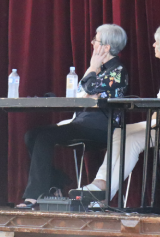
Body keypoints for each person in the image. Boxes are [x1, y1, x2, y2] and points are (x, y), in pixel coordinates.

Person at [77, 24, 160, 200]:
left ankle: (104, 196)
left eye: (156, 42)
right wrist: (152, 121)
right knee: (119, 132)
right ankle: (100, 182)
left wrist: (154, 125)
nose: (153, 45)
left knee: (136, 140)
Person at [16, 24, 130, 209]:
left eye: (96, 40)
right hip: (82, 122)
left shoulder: (117, 71)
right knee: (32, 135)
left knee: (46, 136)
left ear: (106, 47)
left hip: (99, 127)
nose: (93, 43)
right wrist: (92, 74)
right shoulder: (98, 69)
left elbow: (90, 89)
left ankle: (34, 196)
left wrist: (92, 69)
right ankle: (55, 183)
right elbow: (80, 93)